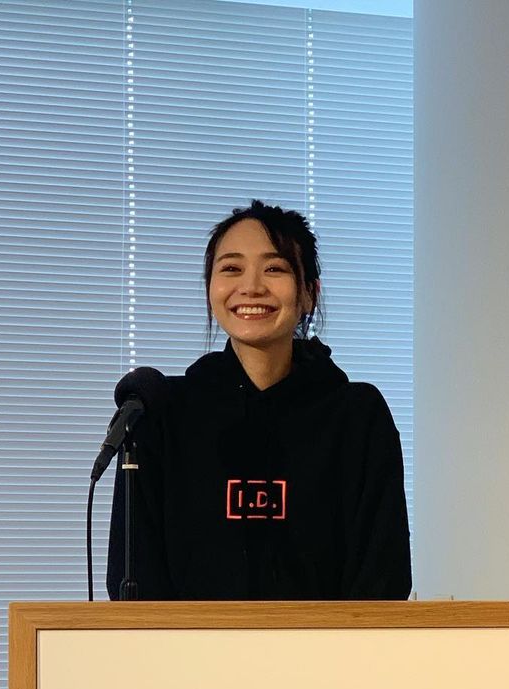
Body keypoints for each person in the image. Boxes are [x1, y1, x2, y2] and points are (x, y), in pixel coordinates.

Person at [106, 200, 411, 600]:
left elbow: (383, 577)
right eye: (231, 269)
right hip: (188, 643)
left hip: (330, 642)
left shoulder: (357, 417)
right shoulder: (160, 411)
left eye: (275, 268)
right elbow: (134, 582)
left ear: (309, 293)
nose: (251, 286)